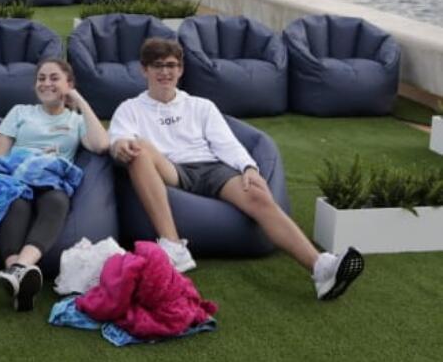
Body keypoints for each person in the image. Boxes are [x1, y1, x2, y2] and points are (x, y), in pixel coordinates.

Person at [108, 38, 365, 301]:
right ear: (144, 70)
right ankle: (173, 244)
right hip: (170, 169)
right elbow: (118, 140)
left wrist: (249, 167)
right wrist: (122, 147)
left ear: (181, 69)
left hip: (210, 167)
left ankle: (320, 267)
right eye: (157, 66)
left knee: (257, 195)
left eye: (171, 65)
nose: (165, 72)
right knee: (138, 149)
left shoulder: (200, 106)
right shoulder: (130, 108)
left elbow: (226, 143)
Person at [0, 59, 109, 310]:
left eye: (54, 78)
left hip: (51, 180)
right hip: (17, 176)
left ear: (69, 84)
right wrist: (26, 162)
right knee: (16, 204)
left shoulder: (76, 121)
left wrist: (78, 100)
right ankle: (19, 272)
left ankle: (16, 270)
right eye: (41, 78)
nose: (46, 83)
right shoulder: (20, 112)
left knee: (57, 200)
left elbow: (101, 144)